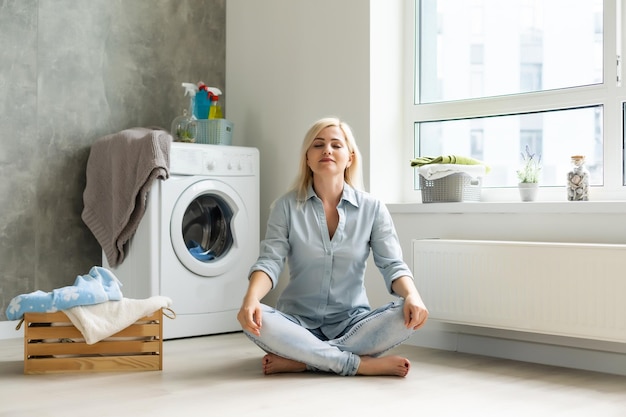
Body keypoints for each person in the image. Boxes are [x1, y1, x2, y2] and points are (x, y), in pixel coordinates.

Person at [237, 117, 429, 377]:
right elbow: (270, 261)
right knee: (259, 320)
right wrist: (251, 299)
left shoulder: (373, 208)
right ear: (307, 157)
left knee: (405, 317)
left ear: (349, 157)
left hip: (353, 323)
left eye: (336, 145)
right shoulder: (286, 206)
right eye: (318, 145)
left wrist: (412, 296)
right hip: (296, 322)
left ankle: (303, 359)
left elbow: (392, 264)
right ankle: (357, 364)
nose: (327, 150)